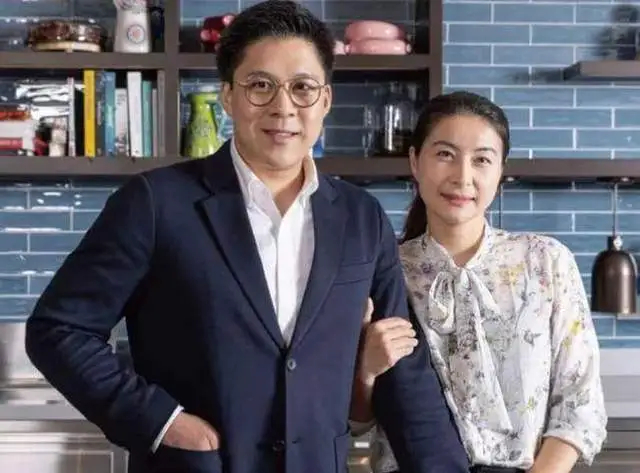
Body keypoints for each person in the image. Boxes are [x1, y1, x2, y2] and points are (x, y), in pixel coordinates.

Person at [24, 2, 469, 473]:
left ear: (325, 101)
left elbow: (405, 369)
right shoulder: (155, 203)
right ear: (228, 96)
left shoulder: (362, 218)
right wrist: (161, 422)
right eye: (260, 85)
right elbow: (59, 330)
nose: (283, 107)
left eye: (302, 88)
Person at [350, 91, 608, 473]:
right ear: (415, 161)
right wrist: (367, 370)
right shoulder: (383, 272)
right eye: (445, 154)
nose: (462, 177)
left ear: (500, 171)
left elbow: (580, 405)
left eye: (482, 159)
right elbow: (357, 421)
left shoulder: (545, 261)